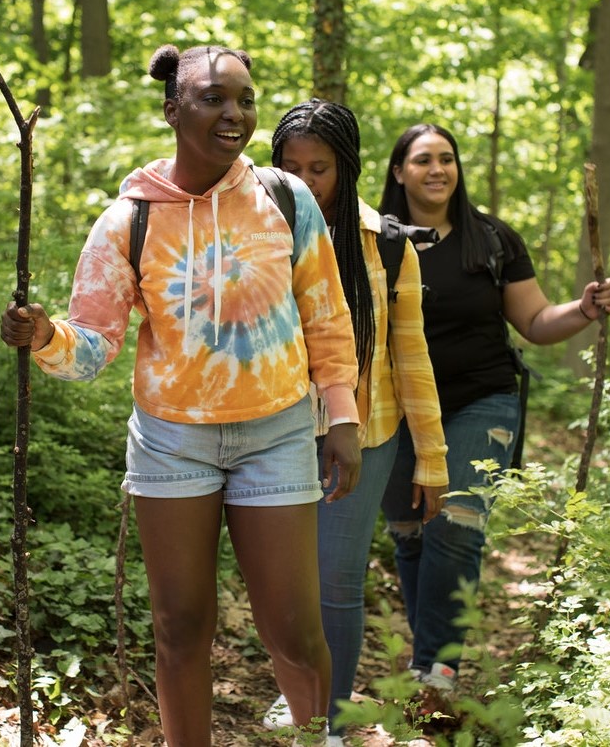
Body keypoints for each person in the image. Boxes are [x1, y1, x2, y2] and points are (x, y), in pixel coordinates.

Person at [0, 45, 363, 746]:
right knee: (179, 626)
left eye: (245, 99)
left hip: (279, 432)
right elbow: (95, 345)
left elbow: (327, 317)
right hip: (173, 442)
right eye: (213, 98)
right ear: (172, 109)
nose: (235, 114)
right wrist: (45, 335)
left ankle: (320, 737)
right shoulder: (128, 220)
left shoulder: (285, 199)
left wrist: (340, 415)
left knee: (293, 629)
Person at [377, 123, 610, 717]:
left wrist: (582, 309)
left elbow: (535, 322)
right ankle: (426, 660)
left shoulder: (491, 240)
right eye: (424, 160)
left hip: (480, 401)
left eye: (448, 159)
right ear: (399, 172)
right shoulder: (374, 240)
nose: (438, 169)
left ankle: (438, 668)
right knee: (409, 533)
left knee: (454, 525)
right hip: (395, 409)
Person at [261, 99, 449, 745]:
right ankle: (300, 696)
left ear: (348, 168)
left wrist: (432, 460)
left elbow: (413, 357)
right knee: (284, 578)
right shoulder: (256, 232)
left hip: (367, 432)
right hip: (276, 431)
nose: (306, 181)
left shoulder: (388, 245)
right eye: (291, 166)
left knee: (335, 579)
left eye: (320, 168)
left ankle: (331, 722)